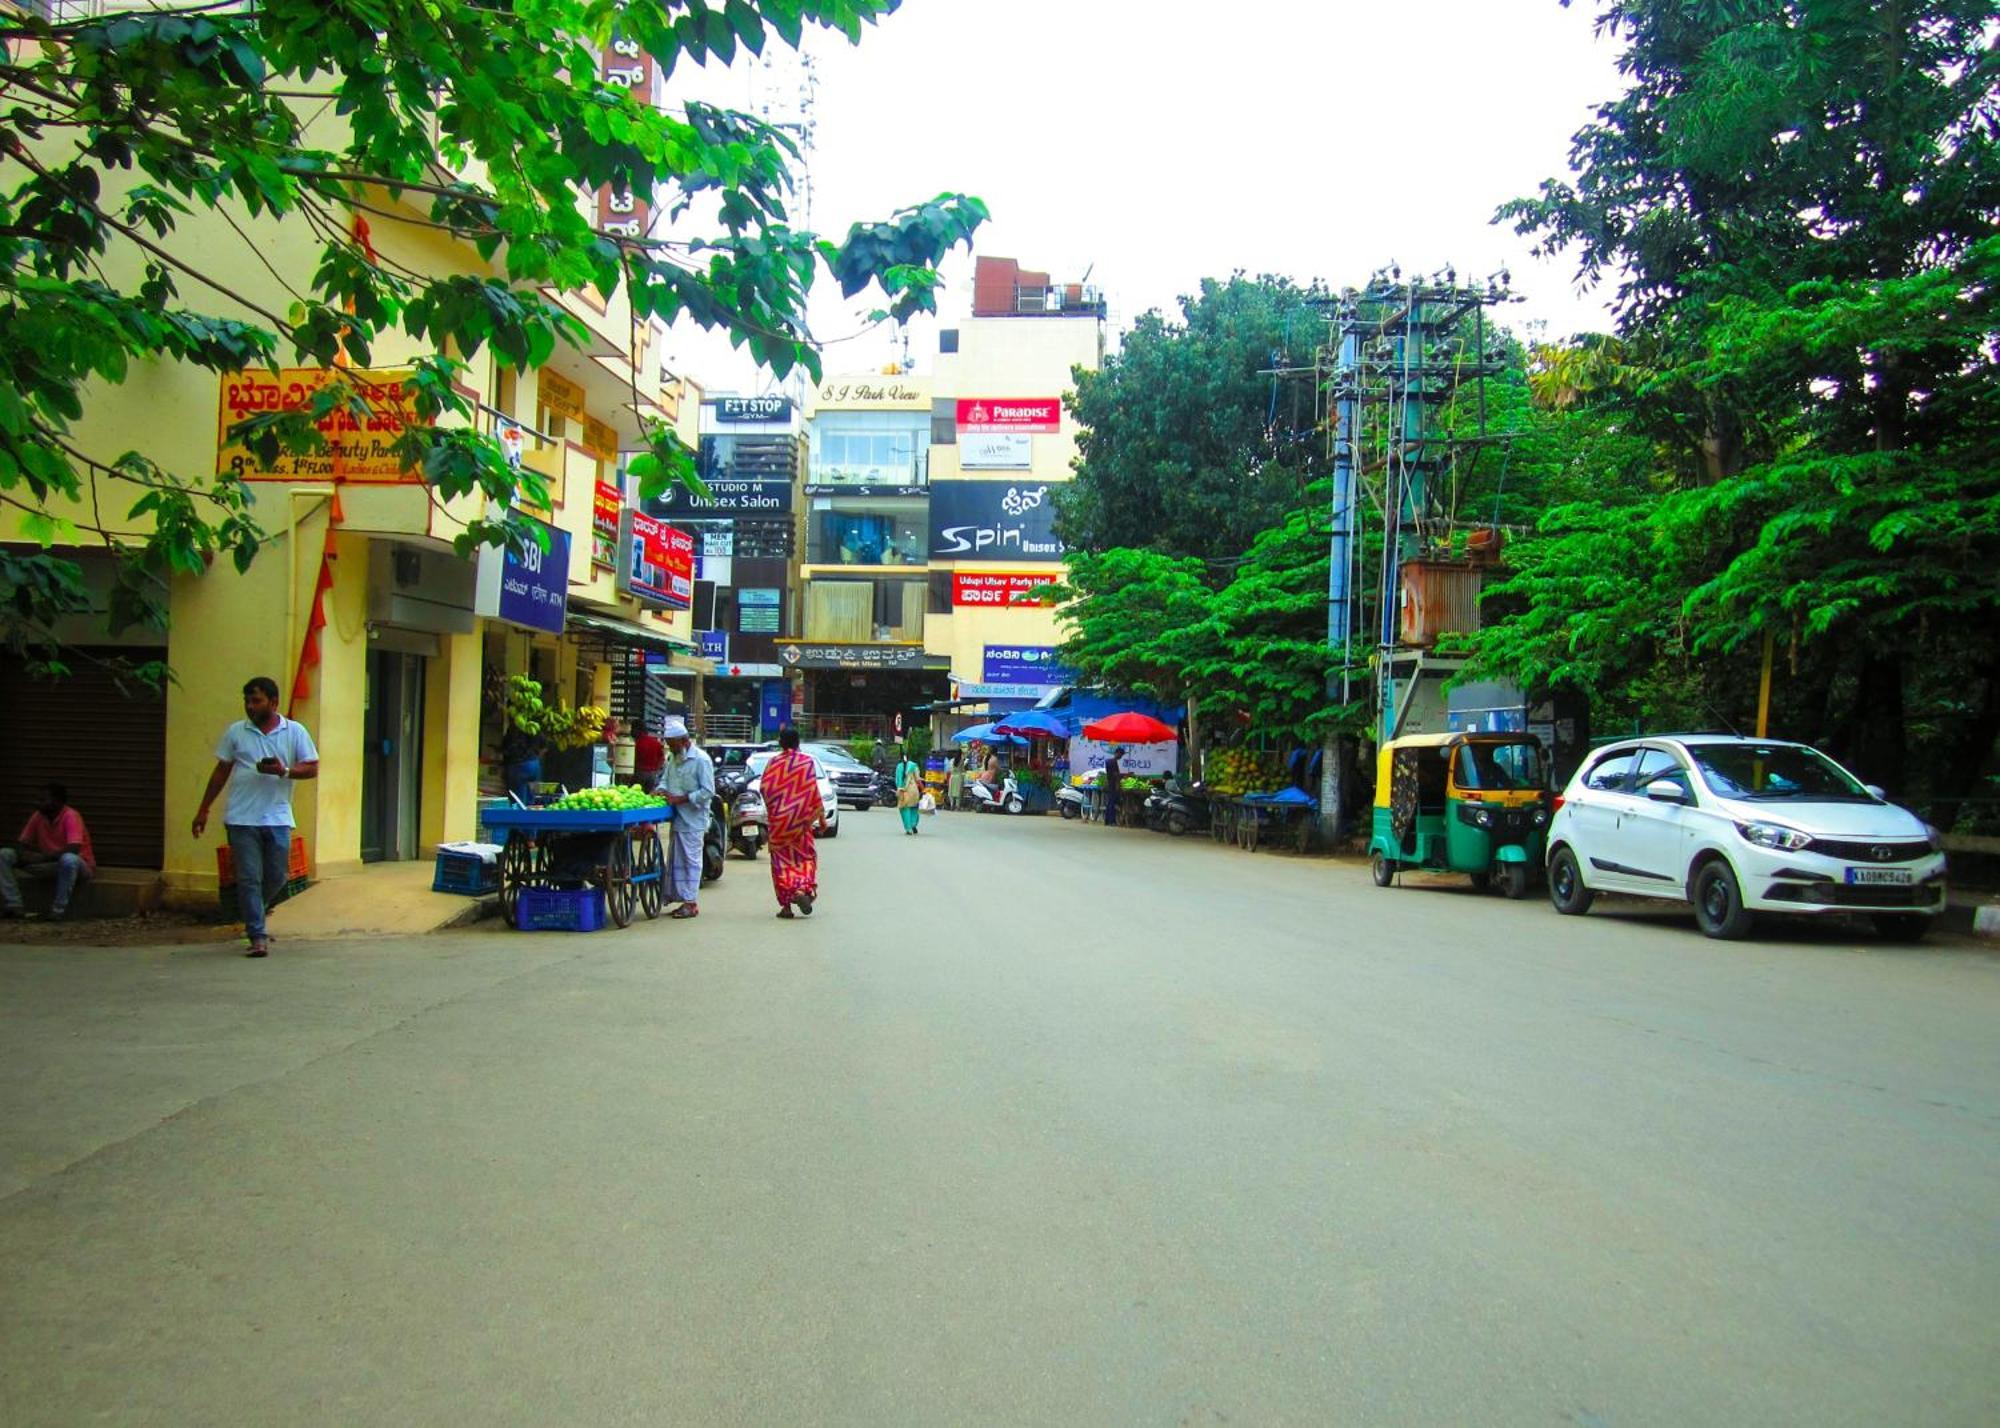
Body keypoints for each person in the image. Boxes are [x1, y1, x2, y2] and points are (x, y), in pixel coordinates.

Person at [193, 676, 319, 957]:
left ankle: (255, 912)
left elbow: (312, 767)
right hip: (241, 817)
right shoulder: (236, 732)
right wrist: (204, 809)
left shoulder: (294, 731)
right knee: (249, 877)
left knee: (277, 875)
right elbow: (221, 771)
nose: (250, 706)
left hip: (277, 817)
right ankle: (257, 935)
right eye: (247, 700)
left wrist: (283, 771)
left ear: (273, 702)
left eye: (256, 700)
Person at [0, 782, 95, 920]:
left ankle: (58, 910)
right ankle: (14, 905)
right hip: (49, 864)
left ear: (57, 801)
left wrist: (41, 858)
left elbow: (74, 848)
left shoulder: (71, 816)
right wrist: (24, 856)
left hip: (77, 867)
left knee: (68, 859)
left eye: (42, 800)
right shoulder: (38, 816)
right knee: (4, 854)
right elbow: (21, 843)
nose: (37, 803)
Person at [762, 726, 825, 918]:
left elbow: (765, 788)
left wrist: (779, 812)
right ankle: (803, 889)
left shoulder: (773, 763)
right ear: (798, 743)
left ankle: (787, 906)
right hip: (802, 823)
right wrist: (820, 818)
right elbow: (812, 791)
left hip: (780, 824)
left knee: (781, 864)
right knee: (805, 859)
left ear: (781, 743)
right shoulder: (806, 763)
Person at [657, 716, 714, 918]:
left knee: (691, 861)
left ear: (684, 740)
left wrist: (681, 799)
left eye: (672, 744)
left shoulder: (701, 760)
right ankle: (681, 898)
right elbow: (665, 781)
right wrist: (660, 792)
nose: (670, 748)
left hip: (694, 820)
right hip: (678, 819)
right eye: (668, 745)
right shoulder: (673, 759)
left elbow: (707, 791)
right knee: (677, 861)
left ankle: (691, 903)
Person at [894, 749, 924, 834]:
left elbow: (897, 780)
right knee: (914, 808)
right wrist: (923, 789)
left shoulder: (899, 766)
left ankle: (908, 828)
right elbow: (918, 779)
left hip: (902, 791)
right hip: (913, 790)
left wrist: (899, 787)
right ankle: (913, 824)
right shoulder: (914, 765)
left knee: (904, 809)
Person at [633, 723, 665, 793]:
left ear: (638, 730)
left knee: (636, 794)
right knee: (649, 796)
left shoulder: (636, 743)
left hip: (639, 773)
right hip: (652, 774)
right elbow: (662, 759)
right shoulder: (656, 742)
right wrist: (656, 770)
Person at [1104, 746, 1126, 828]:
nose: (1121, 757)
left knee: (1110, 803)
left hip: (1111, 784)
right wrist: (1125, 775)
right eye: (1121, 755)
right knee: (1112, 803)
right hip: (1112, 785)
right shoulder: (1112, 762)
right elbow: (1115, 775)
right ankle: (1111, 821)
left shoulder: (1111, 762)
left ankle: (1107, 820)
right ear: (1117, 753)